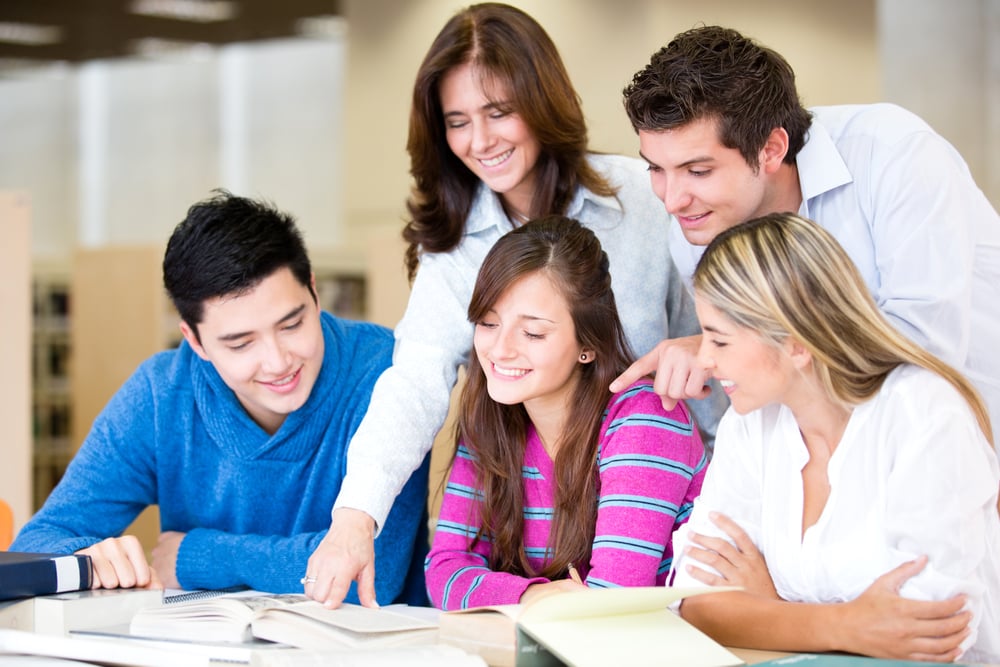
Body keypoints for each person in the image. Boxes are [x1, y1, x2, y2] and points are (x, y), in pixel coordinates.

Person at [305, 3, 727, 608]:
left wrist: (730, 500)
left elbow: (728, 332)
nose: (480, 141)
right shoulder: (453, 249)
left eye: (499, 111)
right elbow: (415, 382)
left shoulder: (643, 195)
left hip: (671, 504)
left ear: (542, 100)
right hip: (557, 541)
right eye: (457, 121)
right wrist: (355, 517)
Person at [11, 191, 430, 601]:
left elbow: (369, 574)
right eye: (240, 343)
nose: (277, 361)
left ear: (314, 292)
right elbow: (33, 547)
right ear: (194, 341)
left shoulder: (387, 374)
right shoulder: (161, 396)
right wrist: (86, 558)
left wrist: (196, 556)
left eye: (291, 324)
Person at [614, 24, 1000, 448]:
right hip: (832, 463)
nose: (671, 201)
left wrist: (724, 345)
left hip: (969, 444)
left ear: (772, 149)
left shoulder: (894, 154)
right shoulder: (695, 229)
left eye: (699, 171)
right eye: (655, 169)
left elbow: (924, 348)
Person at [669, 212, 1000, 663]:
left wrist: (770, 610)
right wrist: (845, 624)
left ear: (798, 343)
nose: (704, 359)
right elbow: (695, 603)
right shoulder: (752, 423)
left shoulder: (922, 414)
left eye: (720, 341)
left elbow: (932, 635)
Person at [425, 216, 707, 609]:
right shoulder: (493, 419)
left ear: (586, 345)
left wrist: (508, 596)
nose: (499, 349)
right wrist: (535, 594)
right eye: (488, 323)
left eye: (533, 333)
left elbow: (612, 604)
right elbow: (444, 570)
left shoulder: (645, 419)